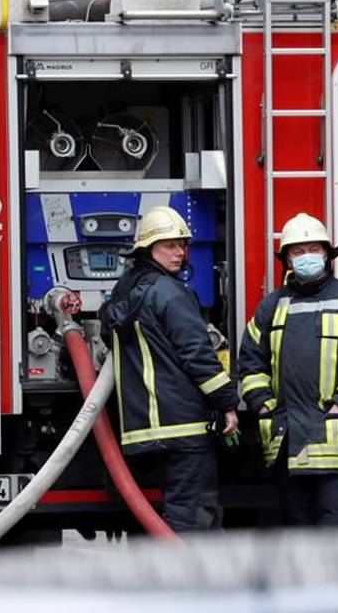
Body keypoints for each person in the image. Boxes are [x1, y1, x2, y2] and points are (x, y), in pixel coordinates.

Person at [238, 212, 338, 526]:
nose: (307, 257)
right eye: (298, 251)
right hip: (286, 443)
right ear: (287, 261)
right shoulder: (271, 307)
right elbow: (251, 361)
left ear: (327, 255)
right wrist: (263, 405)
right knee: (297, 531)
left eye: (314, 250)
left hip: (334, 443)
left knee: (336, 526)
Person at [100, 205, 239, 532]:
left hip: (146, 428)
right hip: (185, 425)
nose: (179, 252)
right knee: (193, 515)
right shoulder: (170, 293)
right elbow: (197, 354)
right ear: (149, 249)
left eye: (183, 245)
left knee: (179, 508)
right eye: (169, 245)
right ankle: (192, 578)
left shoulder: (123, 293)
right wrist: (227, 403)